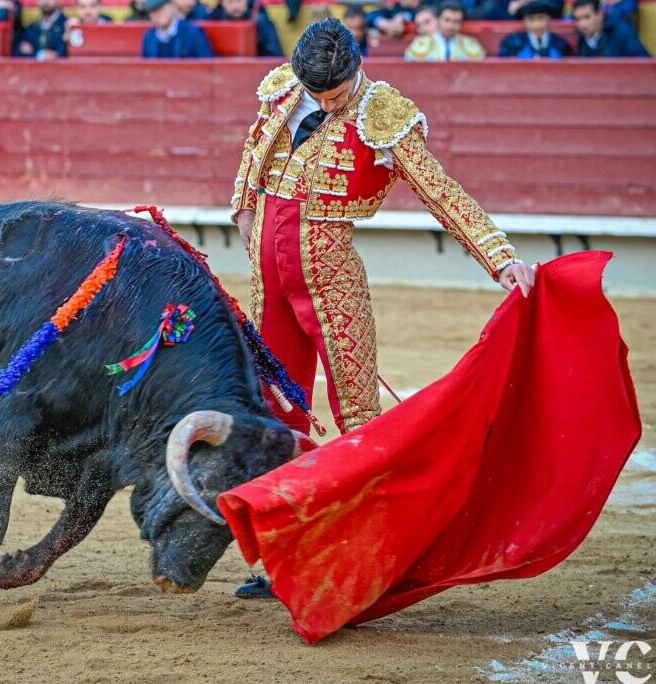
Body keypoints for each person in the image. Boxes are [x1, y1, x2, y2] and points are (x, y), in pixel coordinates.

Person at [228, 18, 533, 598]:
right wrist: (243, 205)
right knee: (275, 411)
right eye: (314, 91)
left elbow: (440, 191)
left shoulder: (384, 113)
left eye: (333, 94)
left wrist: (499, 257)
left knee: (358, 413)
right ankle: (281, 554)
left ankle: (362, 553)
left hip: (330, 277)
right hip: (268, 277)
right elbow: (254, 149)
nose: (322, 101)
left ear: (357, 69)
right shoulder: (283, 89)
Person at [404, 2, 485, 60]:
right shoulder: (420, 43)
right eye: (447, 20)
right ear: (438, 20)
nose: (450, 26)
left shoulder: (471, 44)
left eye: (456, 21)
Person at [571, 0, 648, 57]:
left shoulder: (623, 32)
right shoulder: (580, 38)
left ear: (599, 15)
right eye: (578, 19)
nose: (582, 24)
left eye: (587, 17)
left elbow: (644, 63)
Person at [141, 0, 215, 58]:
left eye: (161, 8)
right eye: (153, 11)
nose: (158, 14)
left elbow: (208, 66)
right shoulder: (149, 37)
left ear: (172, 7)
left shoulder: (193, 33)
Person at [498, 0, 571, 58]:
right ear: (524, 21)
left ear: (549, 19)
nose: (537, 25)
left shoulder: (561, 45)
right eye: (531, 19)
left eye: (540, 18)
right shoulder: (512, 43)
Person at [212, 0, 283, 57]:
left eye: (238, 1)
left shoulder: (262, 22)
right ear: (222, 3)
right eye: (230, 2)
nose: (235, 6)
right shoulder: (213, 20)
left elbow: (274, 54)